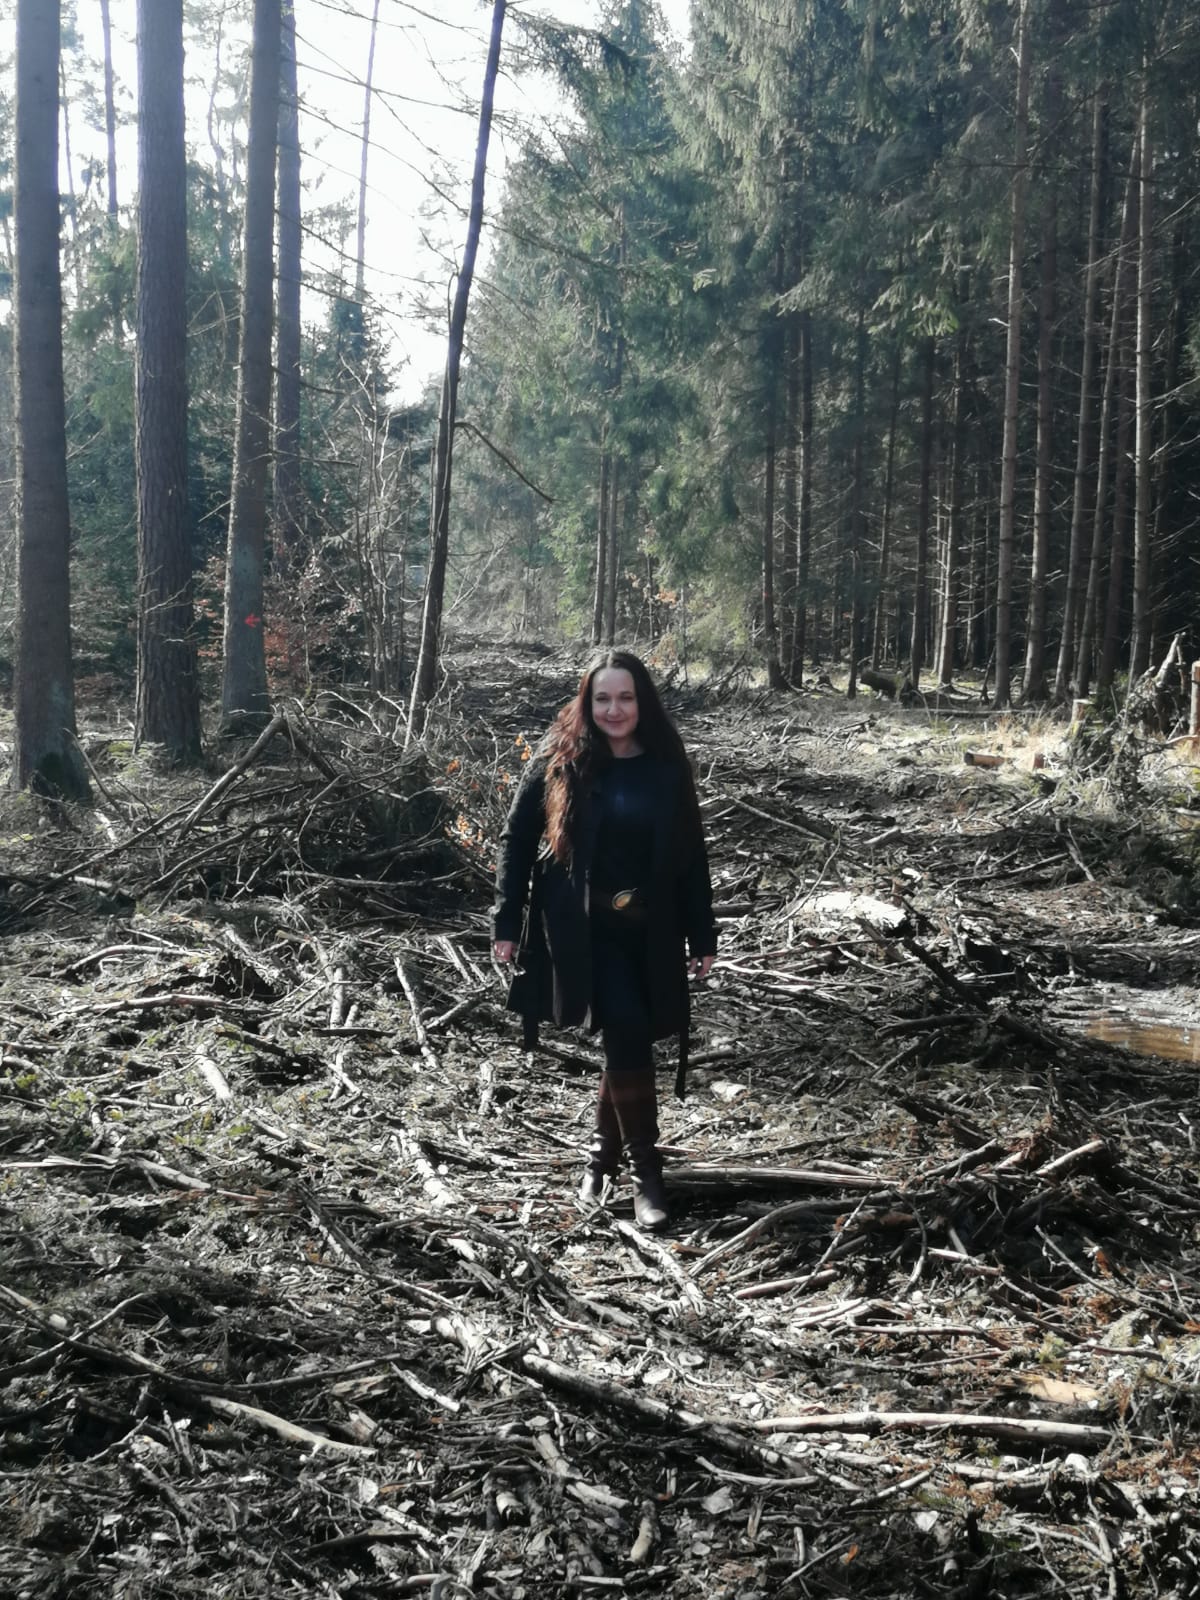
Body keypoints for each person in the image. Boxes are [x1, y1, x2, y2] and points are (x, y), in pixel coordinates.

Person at [492, 649, 716, 1231]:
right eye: (602, 698)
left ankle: (600, 1159)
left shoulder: (665, 764)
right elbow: (517, 842)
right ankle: (647, 1174)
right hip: (584, 930)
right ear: (587, 703)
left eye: (625, 698)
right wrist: (506, 922)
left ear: (643, 702)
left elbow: (691, 854)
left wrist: (702, 932)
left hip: (652, 929)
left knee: (629, 1036)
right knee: (626, 1025)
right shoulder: (560, 760)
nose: (614, 710)